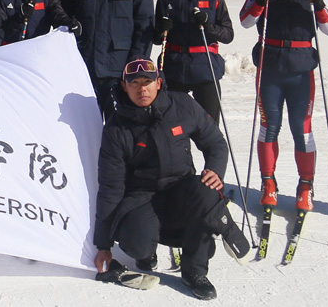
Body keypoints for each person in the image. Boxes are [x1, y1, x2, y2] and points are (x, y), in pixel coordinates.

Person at [93, 58, 249, 300]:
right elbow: (111, 186)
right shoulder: (116, 127)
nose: (142, 89)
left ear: (158, 83)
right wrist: (103, 245)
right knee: (137, 245)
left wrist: (215, 170)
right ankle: (148, 250)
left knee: (206, 188)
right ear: (124, 86)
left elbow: (215, 143)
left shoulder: (182, 105)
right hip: (141, 198)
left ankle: (195, 272)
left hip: (181, 190)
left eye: (147, 82)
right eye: (134, 83)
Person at [238, 0, 328, 215]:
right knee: (268, 126)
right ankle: (268, 183)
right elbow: (245, 21)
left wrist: (318, 3)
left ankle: (305, 187)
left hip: (301, 67)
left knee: (301, 129)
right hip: (269, 64)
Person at [153, 0, 234, 121]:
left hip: (205, 67)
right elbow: (157, 39)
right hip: (174, 68)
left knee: (209, 126)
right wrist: (161, 29)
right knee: (173, 124)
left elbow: (228, 35)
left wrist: (208, 26)